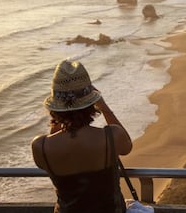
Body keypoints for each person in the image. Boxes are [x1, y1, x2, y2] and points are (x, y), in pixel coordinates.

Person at [31, 59, 132, 213]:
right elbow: (127, 147)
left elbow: (55, 141)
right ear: (92, 103)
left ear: (55, 108)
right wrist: (103, 106)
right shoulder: (111, 136)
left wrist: (58, 116)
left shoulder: (41, 146)